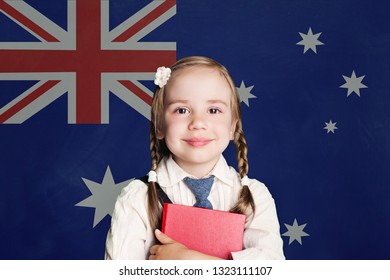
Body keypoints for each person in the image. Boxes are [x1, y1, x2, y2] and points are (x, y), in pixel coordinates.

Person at [105, 56, 285, 260]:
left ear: (233, 126)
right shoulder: (137, 198)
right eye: (182, 110)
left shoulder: (254, 197)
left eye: (213, 110)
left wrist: (189, 260)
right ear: (160, 125)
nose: (198, 122)